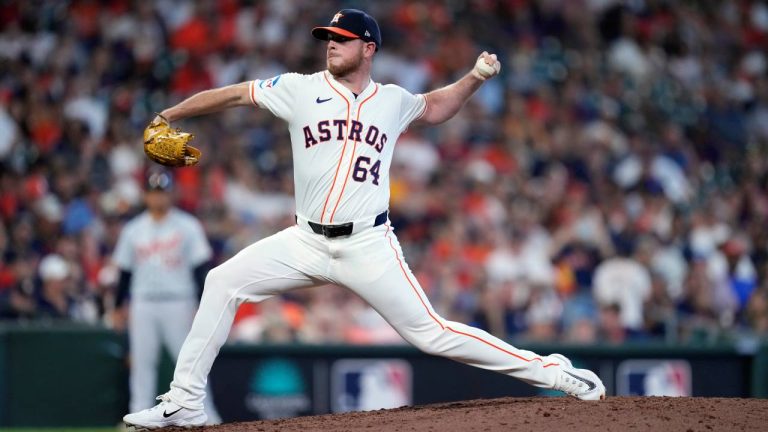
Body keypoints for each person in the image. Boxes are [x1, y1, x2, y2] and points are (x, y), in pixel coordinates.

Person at [124, 9, 605, 429]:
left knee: (432, 334)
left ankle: (554, 372)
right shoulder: (298, 89)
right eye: (327, 39)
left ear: (368, 48)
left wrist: (475, 78)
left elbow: (436, 107)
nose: (331, 45)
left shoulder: (391, 100)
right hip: (304, 240)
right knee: (221, 281)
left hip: (367, 244)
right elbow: (233, 95)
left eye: (341, 39)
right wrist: (171, 111)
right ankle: (184, 402)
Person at [114, 170, 221, 425]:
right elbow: (125, 273)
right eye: (153, 192)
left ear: (170, 194)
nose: (158, 198)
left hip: (179, 301)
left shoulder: (187, 225)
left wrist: (202, 305)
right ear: (145, 195)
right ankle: (137, 417)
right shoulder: (133, 229)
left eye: (162, 192)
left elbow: (200, 270)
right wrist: (119, 306)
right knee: (142, 364)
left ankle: (208, 415)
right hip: (143, 302)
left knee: (192, 363)